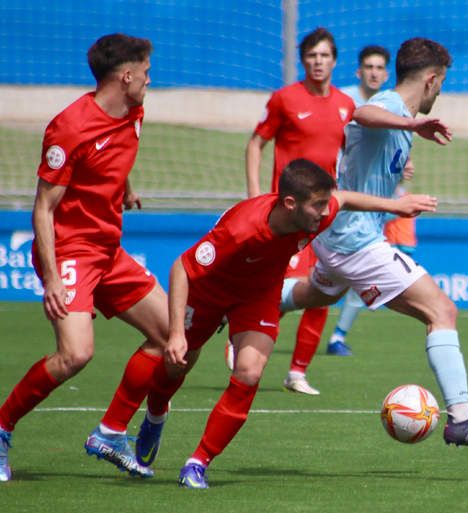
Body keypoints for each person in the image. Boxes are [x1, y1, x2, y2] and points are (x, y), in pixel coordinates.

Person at [284, 37, 468, 456]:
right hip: (357, 241)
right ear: (430, 80)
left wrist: (399, 159)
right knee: (441, 310)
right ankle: (461, 420)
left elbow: (366, 146)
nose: (440, 91)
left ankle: (244, 300)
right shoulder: (390, 104)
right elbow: (362, 113)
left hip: (339, 236)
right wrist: (411, 127)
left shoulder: (399, 118)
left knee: (312, 293)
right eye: (441, 83)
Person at [162, 159, 436, 489]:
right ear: (292, 204)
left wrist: (398, 206)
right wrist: (175, 332)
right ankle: (150, 416)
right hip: (215, 292)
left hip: (262, 295)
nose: (326, 212)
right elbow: (182, 268)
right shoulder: (243, 227)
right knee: (176, 364)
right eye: (319, 205)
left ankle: (198, 463)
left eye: (325, 204)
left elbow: (345, 198)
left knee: (249, 372)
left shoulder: (319, 211)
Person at [0, 33, 166, 482]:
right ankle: (1, 427)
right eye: (146, 72)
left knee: (170, 333)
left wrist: (123, 185)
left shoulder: (135, 111)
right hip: (70, 249)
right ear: (126, 75)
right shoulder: (68, 127)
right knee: (75, 355)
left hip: (109, 250)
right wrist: (52, 278)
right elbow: (42, 209)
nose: (151, 79)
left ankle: (111, 432)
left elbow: (115, 155)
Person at [241, 27, 355, 396]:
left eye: (324, 56)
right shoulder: (285, 99)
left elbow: (349, 155)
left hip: (324, 216)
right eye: (311, 56)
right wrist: (257, 195)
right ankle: (242, 340)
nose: (318, 62)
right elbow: (256, 143)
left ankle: (297, 373)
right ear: (303, 61)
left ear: (334, 61)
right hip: (286, 213)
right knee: (277, 289)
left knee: (324, 286)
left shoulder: (345, 105)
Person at [325, 45, 419, 357]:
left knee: (320, 289)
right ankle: (335, 335)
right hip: (348, 208)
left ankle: (337, 333)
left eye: (380, 67)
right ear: (359, 71)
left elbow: (389, 160)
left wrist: (400, 167)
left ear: (387, 72)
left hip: (387, 204)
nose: (374, 72)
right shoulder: (350, 100)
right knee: (440, 310)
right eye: (369, 67)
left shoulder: (399, 108)